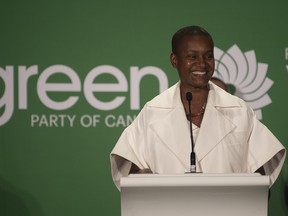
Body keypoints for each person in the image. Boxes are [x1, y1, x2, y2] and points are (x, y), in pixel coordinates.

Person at [110, 25, 286, 190]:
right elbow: (126, 163)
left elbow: (265, 162)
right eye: (192, 56)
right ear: (174, 60)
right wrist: (142, 178)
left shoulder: (238, 109)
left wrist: (245, 195)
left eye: (208, 56)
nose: (202, 64)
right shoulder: (153, 111)